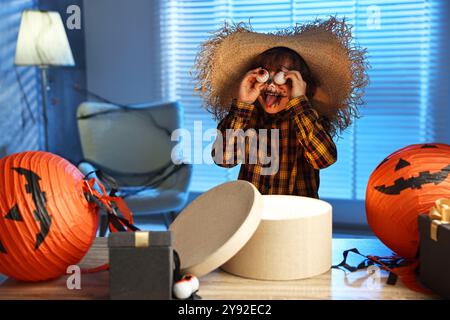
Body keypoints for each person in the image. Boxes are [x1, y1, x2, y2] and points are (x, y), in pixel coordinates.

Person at [193, 17, 369, 198]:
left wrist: (299, 102)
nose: (271, 85)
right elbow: (223, 159)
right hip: (256, 214)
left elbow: (324, 159)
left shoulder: (308, 118)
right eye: (265, 75)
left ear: (301, 85)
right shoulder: (249, 118)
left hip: (298, 217)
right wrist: (243, 104)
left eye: (283, 77)